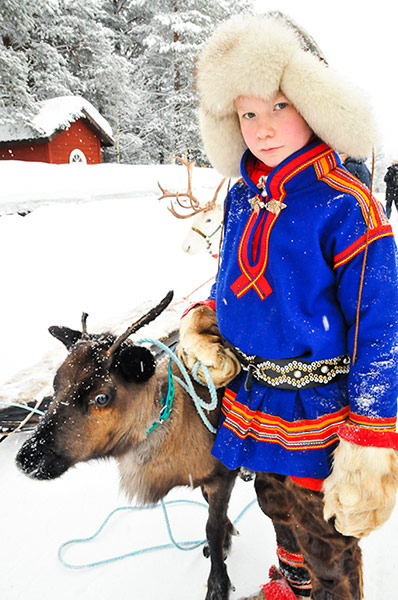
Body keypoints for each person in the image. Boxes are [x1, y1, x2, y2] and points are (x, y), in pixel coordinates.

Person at [177, 12, 398, 600]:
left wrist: (373, 434)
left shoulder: (345, 206)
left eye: (279, 107)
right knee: (273, 501)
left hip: (322, 408)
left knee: (321, 526)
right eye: (248, 114)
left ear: (313, 103)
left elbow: (381, 326)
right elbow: (238, 280)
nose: (263, 128)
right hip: (255, 394)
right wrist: (210, 318)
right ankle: (292, 586)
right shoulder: (245, 193)